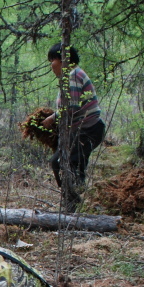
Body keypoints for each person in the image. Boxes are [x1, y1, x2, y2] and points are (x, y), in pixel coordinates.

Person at [42, 43, 106, 212]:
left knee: (63, 163)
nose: (51, 65)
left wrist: (52, 118)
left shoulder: (72, 75)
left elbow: (71, 107)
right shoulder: (71, 75)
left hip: (88, 129)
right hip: (86, 129)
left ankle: (74, 207)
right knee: (71, 165)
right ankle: (76, 206)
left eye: (52, 60)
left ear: (61, 59)